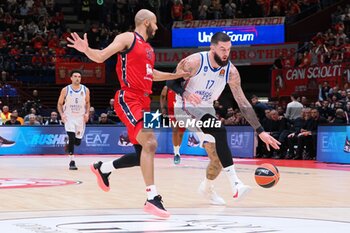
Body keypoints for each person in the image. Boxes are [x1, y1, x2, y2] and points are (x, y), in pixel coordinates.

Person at [67, 9, 188, 218]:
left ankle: (103, 168)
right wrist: (86, 49)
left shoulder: (150, 49)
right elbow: (101, 56)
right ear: (147, 22)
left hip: (145, 100)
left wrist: (176, 74)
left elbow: (151, 74)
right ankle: (152, 198)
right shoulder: (127, 38)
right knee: (150, 143)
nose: (157, 27)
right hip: (128, 97)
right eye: (156, 23)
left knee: (144, 153)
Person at [166, 32, 281, 201]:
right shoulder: (194, 62)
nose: (226, 53)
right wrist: (185, 94)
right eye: (222, 49)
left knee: (217, 160)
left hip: (205, 110)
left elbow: (242, 102)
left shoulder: (231, 71)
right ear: (212, 48)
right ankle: (236, 184)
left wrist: (260, 131)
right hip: (184, 108)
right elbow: (170, 82)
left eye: (228, 49)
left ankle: (206, 188)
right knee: (219, 129)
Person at [57, 70, 90, 170]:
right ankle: (72, 161)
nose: (77, 78)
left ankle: (69, 144)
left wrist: (87, 113)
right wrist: (62, 114)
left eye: (79, 76)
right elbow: (59, 104)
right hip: (69, 117)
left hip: (80, 118)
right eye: (75, 76)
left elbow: (88, 103)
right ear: (71, 78)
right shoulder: (65, 90)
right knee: (71, 138)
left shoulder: (85, 90)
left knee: (77, 142)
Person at [160, 85, 185, 164]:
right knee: (175, 130)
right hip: (172, 111)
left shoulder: (185, 85)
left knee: (181, 133)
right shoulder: (167, 87)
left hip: (183, 111)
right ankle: (176, 153)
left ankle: (178, 151)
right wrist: (163, 108)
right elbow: (162, 96)